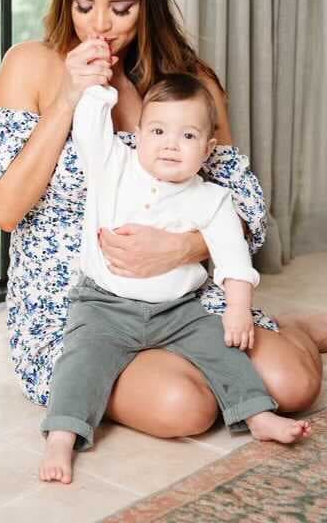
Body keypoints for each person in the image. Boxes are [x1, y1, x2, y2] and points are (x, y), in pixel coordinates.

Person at [0, 0, 327, 466]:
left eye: (122, 9)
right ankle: (222, 353)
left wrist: (187, 247)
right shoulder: (32, 66)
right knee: (185, 409)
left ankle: (294, 330)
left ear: (150, 3)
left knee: (293, 386)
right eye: (84, 5)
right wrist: (67, 98)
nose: (100, 27)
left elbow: (243, 205)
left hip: (182, 298)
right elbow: (7, 211)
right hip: (75, 304)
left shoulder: (190, 84)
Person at [39, 71, 312, 483]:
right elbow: (89, 126)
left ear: (208, 149)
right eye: (159, 130)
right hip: (103, 304)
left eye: (187, 136)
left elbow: (234, 259)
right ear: (139, 134)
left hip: (178, 311)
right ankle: (62, 436)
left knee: (227, 351)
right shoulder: (113, 165)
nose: (170, 143)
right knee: (81, 362)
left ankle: (257, 415)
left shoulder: (211, 198)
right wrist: (96, 86)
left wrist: (238, 309)